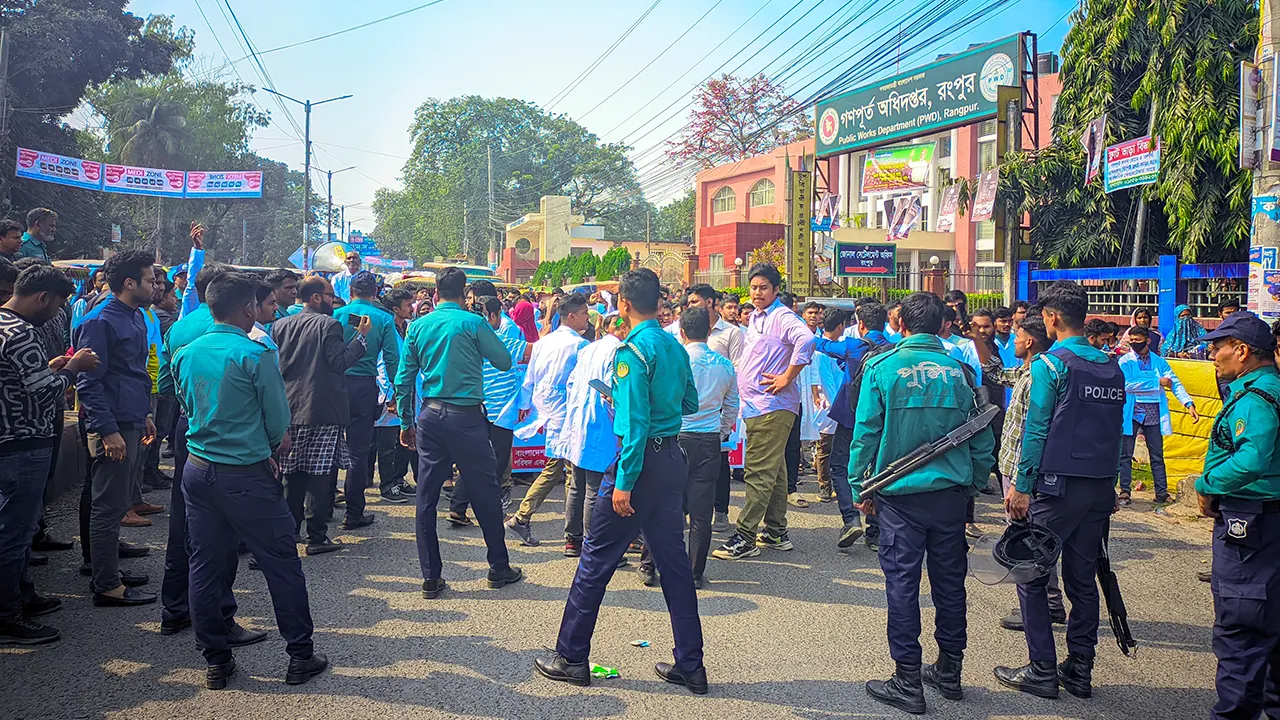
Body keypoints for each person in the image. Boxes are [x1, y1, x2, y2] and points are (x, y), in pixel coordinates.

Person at [534, 268, 706, 693]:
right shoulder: (673, 344)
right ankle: (691, 664)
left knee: (595, 561)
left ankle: (571, 657)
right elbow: (689, 400)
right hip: (671, 460)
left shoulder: (631, 352)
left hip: (639, 464)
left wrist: (625, 482)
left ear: (624, 305)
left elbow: (633, 424)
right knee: (675, 567)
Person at [172, 272, 327, 690]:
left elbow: (186, 405)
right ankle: (300, 655)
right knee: (281, 564)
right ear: (246, 309)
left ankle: (216, 660)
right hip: (246, 473)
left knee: (204, 564)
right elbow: (278, 424)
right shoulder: (255, 354)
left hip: (199, 468)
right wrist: (273, 446)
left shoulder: (185, 352)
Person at [846, 292, 992, 713]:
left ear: (900, 325)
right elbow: (982, 437)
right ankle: (950, 671)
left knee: (903, 586)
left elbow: (865, 435)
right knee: (950, 584)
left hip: (899, 499)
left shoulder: (881, 367)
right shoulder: (963, 371)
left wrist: (860, 488)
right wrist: (974, 484)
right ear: (944, 326)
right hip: (950, 496)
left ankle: (908, 680)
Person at [996, 281, 1126, 700]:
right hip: (1099, 488)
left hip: (1054, 488)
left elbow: (1036, 431)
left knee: (1030, 576)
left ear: (1051, 318)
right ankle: (1080, 669)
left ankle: (1042, 670)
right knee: (1082, 579)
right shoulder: (1111, 366)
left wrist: (1022, 486)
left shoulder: (1050, 365)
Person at [396, 266, 522, 599]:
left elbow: (404, 378)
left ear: (435, 293)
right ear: (465, 293)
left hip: (431, 416)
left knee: (426, 498)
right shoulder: (473, 322)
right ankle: (498, 567)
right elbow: (505, 361)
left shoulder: (418, 326)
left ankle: (430, 577)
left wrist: (406, 422)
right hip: (466, 418)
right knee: (485, 491)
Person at [1188, 311, 1280, 719]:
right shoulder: (1268, 389)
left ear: (1241, 351)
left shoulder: (1256, 398)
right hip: (1267, 521)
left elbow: (1250, 459)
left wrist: (1207, 484)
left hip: (1251, 523)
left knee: (1241, 630)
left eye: (1217, 346)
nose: (1211, 354)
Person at [160, 261, 257, 641]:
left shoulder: (180, 328)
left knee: (183, 520)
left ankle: (175, 609)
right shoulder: (244, 333)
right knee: (224, 530)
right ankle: (220, 616)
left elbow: (167, 384)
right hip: (233, 438)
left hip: (189, 429)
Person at [0, 265, 97, 644]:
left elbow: (22, 380)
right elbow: (44, 393)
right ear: (42, 297)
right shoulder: (22, 333)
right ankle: (8, 616)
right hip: (24, 442)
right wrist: (72, 369)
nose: (57, 311)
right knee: (15, 533)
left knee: (16, 529)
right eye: (57, 303)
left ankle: (23, 597)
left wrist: (50, 367)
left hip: (9, 439)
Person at [74, 251, 158, 607]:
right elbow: (89, 383)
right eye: (151, 280)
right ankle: (107, 585)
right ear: (129, 283)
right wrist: (107, 431)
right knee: (107, 506)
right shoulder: (101, 321)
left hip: (130, 417)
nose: (156, 285)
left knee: (111, 499)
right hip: (110, 423)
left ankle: (106, 567)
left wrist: (145, 415)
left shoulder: (134, 316)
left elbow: (133, 372)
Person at [714, 263, 814, 560]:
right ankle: (775, 530)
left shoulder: (781, 316)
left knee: (757, 471)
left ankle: (744, 536)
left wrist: (787, 376)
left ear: (776, 290)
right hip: (759, 405)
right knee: (776, 470)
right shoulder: (758, 317)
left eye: (763, 288)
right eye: (754, 287)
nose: (757, 293)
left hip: (771, 406)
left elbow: (807, 339)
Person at [639, 306, 737, 588]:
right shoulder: (725, 365)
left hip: (674, 435)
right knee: (701, 510)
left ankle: (649, 565)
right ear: (709, 331)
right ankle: (694, 572)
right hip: (708, 439)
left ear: (681, 332)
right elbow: (731, 406)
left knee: (661, 503)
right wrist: (721, 432)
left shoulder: (675, 361)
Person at [272, 276, 370, 555]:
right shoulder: (330, 325)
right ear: (316, 297)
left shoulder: (280, 325)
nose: (332, 299)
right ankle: (316, 536)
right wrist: (361, 339)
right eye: (329, 295)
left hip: (290, 409)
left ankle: (290, 533)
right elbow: (339, 362)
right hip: (322, 410)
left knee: (292, 475)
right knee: (318, 474)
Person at [505, 294, 590, 546]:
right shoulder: (580, 346)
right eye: (584, 313)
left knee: (565, 472)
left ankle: (569, 533)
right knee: (565, 471)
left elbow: (529, 378)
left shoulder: (543, 342)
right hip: (566, 415)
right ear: (571, 316)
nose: (588, 317)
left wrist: (525, 405)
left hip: (548, 411)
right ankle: (529, 520)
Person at [813, 302, 892, 549]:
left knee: (839, 466)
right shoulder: (895, 349)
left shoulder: (853, 345)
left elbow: (820, 344)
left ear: (860, 325)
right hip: (884, 418)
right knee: (879, 469)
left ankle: (850, 519)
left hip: (851, 417)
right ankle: (876, 530)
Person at [448, 284, 528, 522]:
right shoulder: (501, 340)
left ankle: (458, 506)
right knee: (495, 462)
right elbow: (534, 352)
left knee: (475, 459)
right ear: (492, 316)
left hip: (475, 405)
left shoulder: (465, 339)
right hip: (500, 411)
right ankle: (488, 509)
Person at [333, 271, 399, 528]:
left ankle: (323, 507)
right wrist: (395, 392)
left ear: (350, 291)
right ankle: (354, 511)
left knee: (328, 445)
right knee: (358, 452)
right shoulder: (383, 319)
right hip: (364, 388)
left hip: (335, 386)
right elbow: (392, 358)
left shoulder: (336, 315)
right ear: (375, 293)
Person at [561, 311, 628, 558]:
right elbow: (617, 390)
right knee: (594, 489)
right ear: (622, 329)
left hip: (580, 422)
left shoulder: (589, 348)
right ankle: (594, 543)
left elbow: (571, 384)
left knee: (577, 485)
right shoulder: (619, 351)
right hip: (602, 424)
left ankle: (572, 539)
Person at [1117, 325, 1199, 505]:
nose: (1134, 344)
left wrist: (1188, 403)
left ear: (1147, 340)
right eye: (1131, 341)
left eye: (1138, 341)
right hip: (1133, 412)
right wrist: (1157, 382)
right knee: (1125, 454)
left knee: (1157, 455)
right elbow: (1127, 384)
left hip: (1153, 413)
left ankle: (1161, 492)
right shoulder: (1125, 362)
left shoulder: (1159, 362)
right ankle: (1124, 491)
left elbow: (1174, 382)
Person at [373, 288, 418, 503]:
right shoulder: (386, 329)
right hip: (391, 394)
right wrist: (390, 396)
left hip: (408, 392)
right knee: (388, 443)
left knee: (406, 439)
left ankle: (399, 479)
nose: (412, 308)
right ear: (395, 309)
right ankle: (387, 485)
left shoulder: (408, 329)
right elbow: (383, 365)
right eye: (408, 305)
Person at [665, 284, 744, 364]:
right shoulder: (686, 329)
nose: (690, 307)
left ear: (709, 302)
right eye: (689, 304)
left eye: (694, 302)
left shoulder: (732, 333)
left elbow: (736, 369)